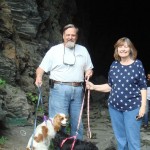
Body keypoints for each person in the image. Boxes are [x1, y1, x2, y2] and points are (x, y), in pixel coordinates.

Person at [86, 37, 147, 150]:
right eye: (120, 46)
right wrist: (94, 87)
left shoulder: (137, 65)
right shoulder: (114, 65)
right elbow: (110, 86)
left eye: (126, 46)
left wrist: (143, 107)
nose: (123, 49)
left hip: (132, 108)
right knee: (121, 140)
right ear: (116, 49)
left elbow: (143, 87)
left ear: (131, 49)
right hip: (114, 108)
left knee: (133, 140)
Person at [35, 24, 94, 140]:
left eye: (73, 35)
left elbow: (89, 68)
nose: (70, 37)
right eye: (68, 35)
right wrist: (39, 77)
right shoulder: (54, 50)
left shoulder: (83, 50)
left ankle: (75, 146)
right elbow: (41, 68)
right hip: (59, 89)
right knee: (58, 123)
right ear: (63, 36)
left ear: (76, 37)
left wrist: (89, 72)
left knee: (77, 123)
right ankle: (59, 147)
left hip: (78, 90)